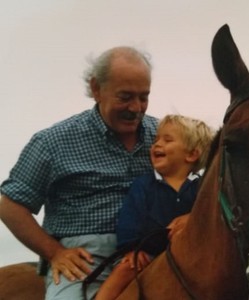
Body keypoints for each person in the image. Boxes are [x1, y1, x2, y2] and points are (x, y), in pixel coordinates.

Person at [0, 46, 158, 300]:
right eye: (125, 96)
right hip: (86, 262)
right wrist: (55, 253)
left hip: (152, 253)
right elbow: (10, 206)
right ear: (96, 89)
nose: (136, 107)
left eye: (144, 97)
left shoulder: (163, 136)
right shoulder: (53, 142)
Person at [95, 114, 215, 300]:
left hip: (190, 257)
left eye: (167, 140)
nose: (157, 144)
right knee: (126, 268)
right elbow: (130, 220)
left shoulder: (202, 189)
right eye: (156, 139)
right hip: (147, 253)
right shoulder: (144, 185)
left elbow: (210, 219)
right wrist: (132, 248)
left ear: (191, 154)